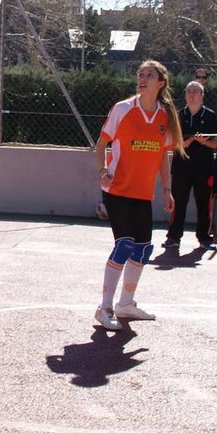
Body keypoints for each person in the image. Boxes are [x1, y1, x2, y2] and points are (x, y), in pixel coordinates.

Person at [93, 60, 185, 330]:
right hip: (117, 189)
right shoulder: (123, 109)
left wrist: (167, 190)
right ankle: (104, 307)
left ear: (161, 83)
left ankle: (126, 304)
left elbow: (162, 157)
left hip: (143, 193)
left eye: (149, 75)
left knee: (143, 249)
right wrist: (102, 169)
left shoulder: (164, 117)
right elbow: (101, 144)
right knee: (124, 245)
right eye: (140, 74)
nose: (143, 78)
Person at [165, 80, 217, 250]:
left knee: (203, 203)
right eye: (189, 91)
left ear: (202, 96)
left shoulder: (210, 115)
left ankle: (204, 238)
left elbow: (215, 144)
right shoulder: (178, 115)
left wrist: (203, 141)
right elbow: (171, 142)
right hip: (182, 166)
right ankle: (173, 237)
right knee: (178, 202)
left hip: (204, 167)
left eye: (195, 91)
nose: (192, 94)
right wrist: (185, 143)